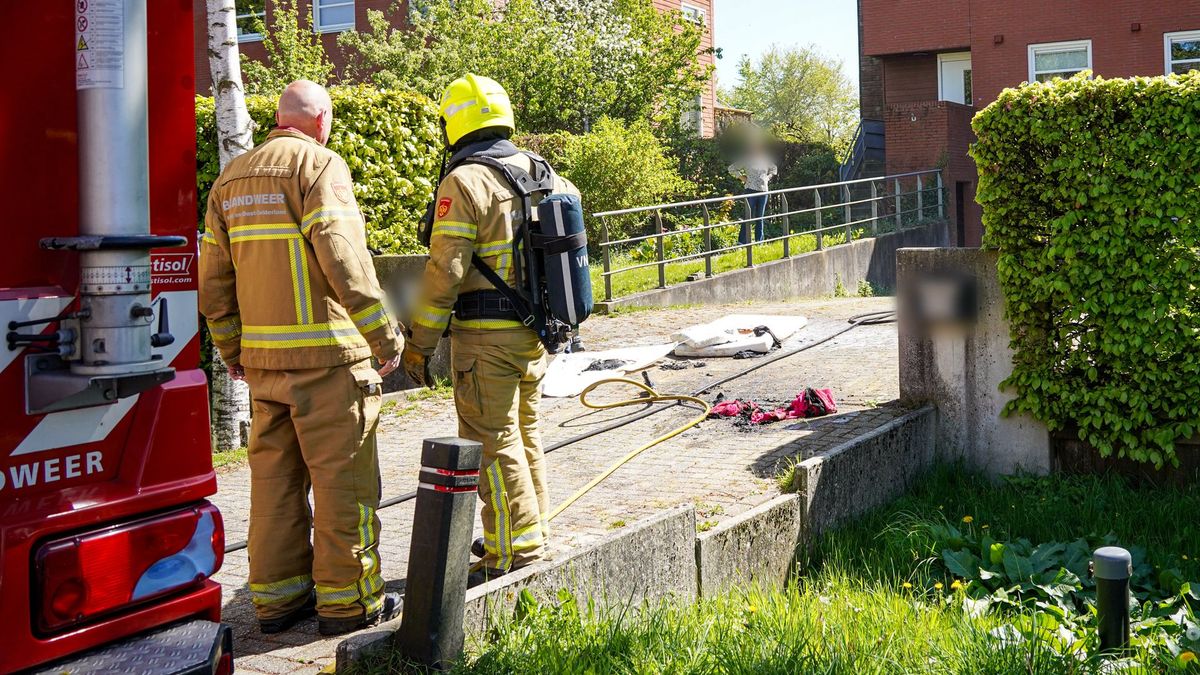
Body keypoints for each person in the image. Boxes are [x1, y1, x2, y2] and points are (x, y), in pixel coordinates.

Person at [199, 80, 403, 636]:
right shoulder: (319, 165)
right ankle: (349, 604)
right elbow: (343, 259)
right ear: (320, 120)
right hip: (329, 365)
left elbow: (213, 280)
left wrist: (232, 350)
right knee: (344, 484)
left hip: (265, 370)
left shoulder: (229, 180)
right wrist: (384, 336)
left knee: (274, 487)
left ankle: (276, 602)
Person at [402, 74, 579, 585]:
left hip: (485, 339)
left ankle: (511, 551)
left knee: (493, 441)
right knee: (525, 435)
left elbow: (443, 275)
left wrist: (419, 347)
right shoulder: (544, 173)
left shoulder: (465, 182)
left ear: (453, 124)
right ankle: (533, 530)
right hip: (536, 336)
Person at [728, 139, 778, 244]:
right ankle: (742, 242)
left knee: (760, 218)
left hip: (763, 191)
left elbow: (774, 168)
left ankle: (759, 242)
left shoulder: (764, 159)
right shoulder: (746, 159)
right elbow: (731, 169)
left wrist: (768, 178)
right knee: (748, 217)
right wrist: (742, 177)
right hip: (750, 190)